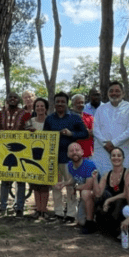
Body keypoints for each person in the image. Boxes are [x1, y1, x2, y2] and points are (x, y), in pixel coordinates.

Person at [44, 91, 89, 221]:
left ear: (67, 103)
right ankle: (58, 212)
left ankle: (71, 213)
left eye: (63, 102)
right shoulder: (50, 118)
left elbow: (85, 134)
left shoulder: (74, 117)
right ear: (54, 103)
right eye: (57, 101)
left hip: (70, 159)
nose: (60, 104)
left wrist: (71, 134)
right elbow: (45, 136)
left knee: (70, 186)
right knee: (56, 186)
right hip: (54, 157)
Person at [0, 92, 32, 218]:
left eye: (15, 97)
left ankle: (19, 208)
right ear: (7, 100)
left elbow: (29, 129)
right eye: (10, 97)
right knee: (4, 180)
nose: (13, 99)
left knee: (20, 180)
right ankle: (2, 207)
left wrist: (28, 132)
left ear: (18, 100)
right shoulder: (0, 113)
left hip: (20, 151)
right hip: (4, 151)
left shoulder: (25, 114)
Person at [93, 81, 129, 175]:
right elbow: (95, 129)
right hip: (103, 151)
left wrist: (113, 143)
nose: (114, 93)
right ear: (108, 93)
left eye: (117, 91)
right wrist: (105, 144)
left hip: (123, 151)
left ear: (123, 93)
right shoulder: (101, 109)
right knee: (103, 181)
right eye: (111, 91)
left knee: (123, 181)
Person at [54, 143, 98, 233]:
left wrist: (75, 188)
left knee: (85, 192)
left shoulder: (89, 164)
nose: (74, 153)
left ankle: (90, 223)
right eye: (71, 151)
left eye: (77, 150)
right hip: (86, 196)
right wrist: (63, 183)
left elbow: (88, 186)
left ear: (82, 152)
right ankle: (94, 221)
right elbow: (73, 180)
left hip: (97, 193)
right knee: (81, 221)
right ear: (68, 154)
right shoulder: (70, 165)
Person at [92, 147, 129, 236]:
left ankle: (114, 227)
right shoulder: (106, 175)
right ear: (110, 158)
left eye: (119, 155)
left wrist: (109, 200)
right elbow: (98, 193)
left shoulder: (128, 173)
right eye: (113, 155)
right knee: (101, 196)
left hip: (123, 202)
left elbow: (126, 194)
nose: (116, 158)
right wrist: (94, 179)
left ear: (123, 158)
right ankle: (101, 224)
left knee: (118, 201)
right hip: (111, 202)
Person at [29, 97, 52, 220]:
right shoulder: (31, 121)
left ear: (46, 108)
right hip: (34, 156)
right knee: (35, 184)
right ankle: (38, 209)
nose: (40, 108)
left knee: (44, 184)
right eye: (37, 106)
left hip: (47, 156)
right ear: (34, 108)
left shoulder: (51, 120)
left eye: (42, 106)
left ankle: (44, 209)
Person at [71, 93, 94, 158]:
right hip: (72, 156)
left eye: (82, 103)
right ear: (73, 103)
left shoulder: (90, 117)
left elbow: (92, 134)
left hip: (87, 154)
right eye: (77, 103)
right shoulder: (67, 117)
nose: (80, 105)